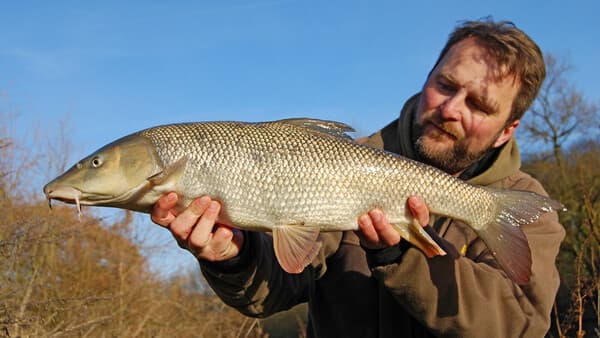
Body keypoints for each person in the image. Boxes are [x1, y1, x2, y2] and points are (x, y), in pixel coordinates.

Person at [151, 19, 565, 337]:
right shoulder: (339, 161)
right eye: (446, 85)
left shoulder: (522, 201)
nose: (451, 108)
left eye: (478, 103)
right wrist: (234, 256)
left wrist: (402, 258)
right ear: (427, 79)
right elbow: (276, 289)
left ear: (507, 129)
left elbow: (518, 325)